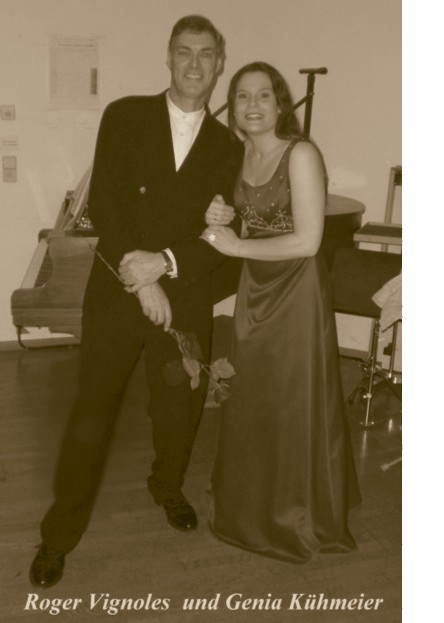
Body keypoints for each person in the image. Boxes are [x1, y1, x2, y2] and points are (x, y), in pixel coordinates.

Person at [29, 15, 243, 588]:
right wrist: (143, 280)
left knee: (179, 408)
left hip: (186, 300)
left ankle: (166, 486)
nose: (195, 63)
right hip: (118, 292)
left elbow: (220, 236)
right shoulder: (124, 115)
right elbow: (106, 204)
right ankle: (58, 534)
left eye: (206, 54)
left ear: (219, 63)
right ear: (168, 58)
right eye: (184, 52)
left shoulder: (228, 145)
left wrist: (166, 266)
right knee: (93, 411)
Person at [202, 62, 361, 564]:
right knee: (254, 394)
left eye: (263, 95)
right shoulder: (241, 154)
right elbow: (250, 224)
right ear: (232, 106)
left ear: (280, 103)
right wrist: (222, 217)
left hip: (296, 290)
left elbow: (308, 241)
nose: (252, 105)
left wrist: (235, 247)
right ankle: (254, 504)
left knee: (293, 398)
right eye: (242, 96)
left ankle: (299, 511)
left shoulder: (301, 153)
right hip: (256, 287)